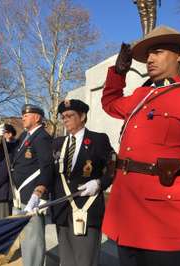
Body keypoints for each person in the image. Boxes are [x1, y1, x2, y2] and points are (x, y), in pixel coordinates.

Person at [101, 26, 180, 266]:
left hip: (167, 224)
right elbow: (110, 103)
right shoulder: (140, 96)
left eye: (157, 52)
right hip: (127, 220)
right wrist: (118, 72)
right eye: (148, 55)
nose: (149, 59)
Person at [51, 99, 114, 266]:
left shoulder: (98, 139)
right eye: (63, 117)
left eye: (70, 115)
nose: (65, 120)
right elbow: (50, 172)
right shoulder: (58, 143)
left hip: (87, 208)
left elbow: (114, 167)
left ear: (83, 116)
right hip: (62, 210)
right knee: (66, 260)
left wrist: (100, 183)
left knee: (85, 260)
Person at [0, 104, 53, 266]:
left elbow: (47, 166)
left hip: (32, 195)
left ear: (37, 117)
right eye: (22, 115)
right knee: (25, 236)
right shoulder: (25, 136)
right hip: (20, 194)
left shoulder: (41, 137)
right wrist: (1, 139)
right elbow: (11, 153)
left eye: (26, 115)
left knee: (33, 238)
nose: (23, 118)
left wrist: (40, 193)